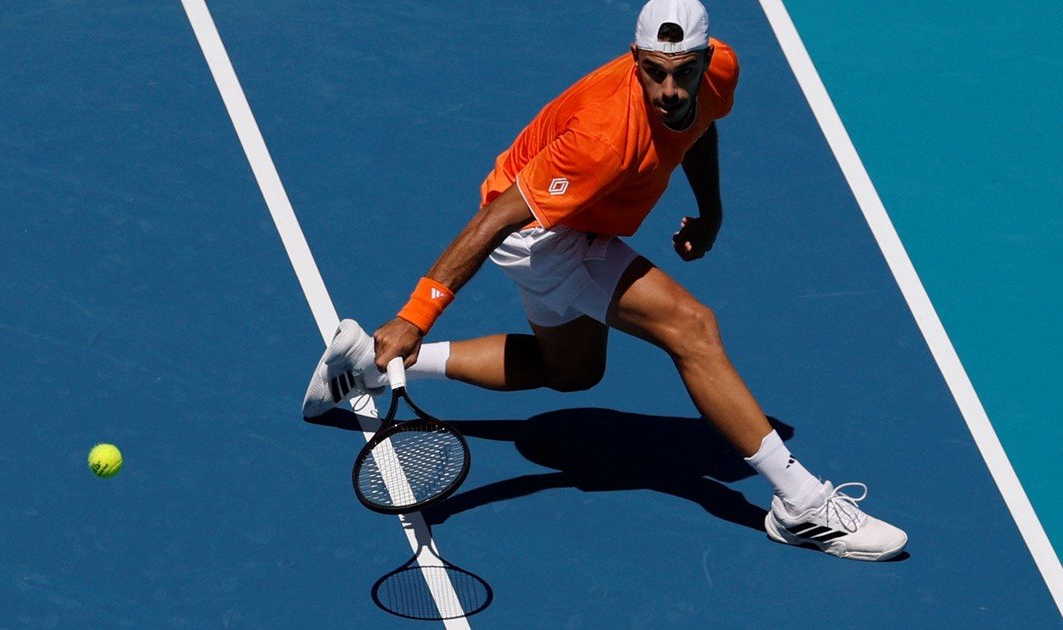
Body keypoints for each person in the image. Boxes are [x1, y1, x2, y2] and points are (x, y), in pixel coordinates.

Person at [302, 0, 907, 561]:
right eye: (652, 73)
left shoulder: (720, 70)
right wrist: (415, 314)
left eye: (683, 73)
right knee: (692, 328)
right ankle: (801, 505)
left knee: (571, 372)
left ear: (705, 59)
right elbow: (495, 218)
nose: (669, 90)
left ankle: (367, 368)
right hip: (542, 233)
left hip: (579, 221)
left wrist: (711, 210)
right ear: (634, 58)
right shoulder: (602, 139)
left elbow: (698, 125)